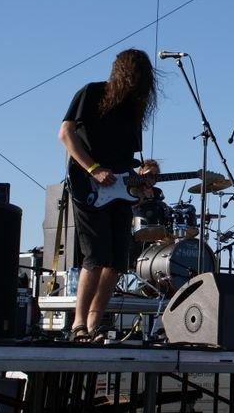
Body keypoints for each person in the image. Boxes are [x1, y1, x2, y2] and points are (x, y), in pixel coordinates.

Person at [58, 48, 157, 342]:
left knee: (117, 261)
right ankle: (78, 324)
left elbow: (127, 163)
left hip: (119, 192)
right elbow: (65, 134)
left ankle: (94, 324)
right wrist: (93, 169)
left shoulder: (133, 112)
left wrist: (144, 178)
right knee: (96, 255)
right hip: (88, 185)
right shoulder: (92, 93)